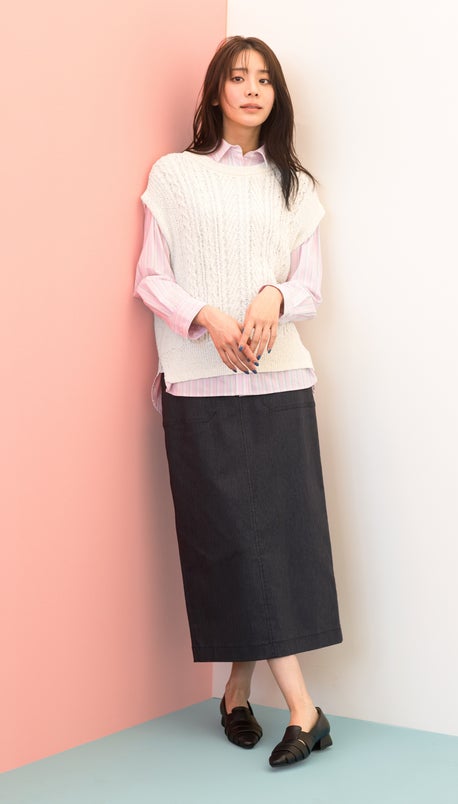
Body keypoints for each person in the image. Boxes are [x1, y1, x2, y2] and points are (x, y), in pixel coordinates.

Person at [134, 35, 342, 768]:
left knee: (274, 539)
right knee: (228, 539)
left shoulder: (295, 186)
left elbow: (309, 287)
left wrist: (271, 295)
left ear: (276, 95)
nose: (252, 89)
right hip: (198, 381)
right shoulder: (175, 175)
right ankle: (301, 708)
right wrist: (207, 317)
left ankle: (246, 695)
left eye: (264, 79)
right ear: (216, 91)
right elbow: (150, 277)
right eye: (237, 76)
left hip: (280, 382)